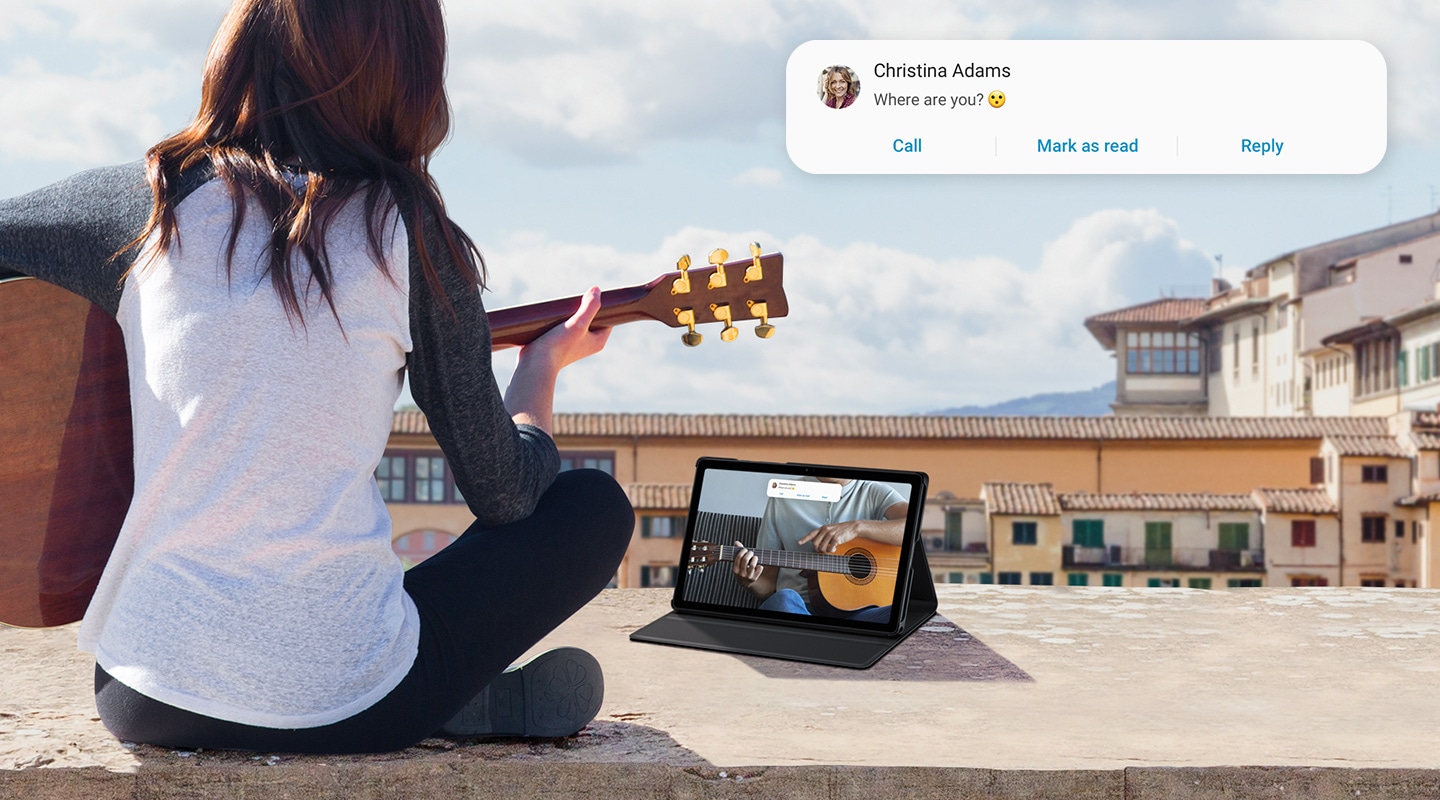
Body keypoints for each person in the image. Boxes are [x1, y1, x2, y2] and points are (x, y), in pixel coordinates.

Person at [0, 0, 633, 753]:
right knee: (591, 506)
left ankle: (437, 687)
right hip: (356, 706)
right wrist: (541, 373)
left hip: (147, 693)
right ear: (410, 73)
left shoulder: (147, 204)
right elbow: (506, 494)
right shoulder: (408, 230)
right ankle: (444, 689)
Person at [731, 478, 906, 623]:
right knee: (783, 600)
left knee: (905, 612)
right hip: (797, 612)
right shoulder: (783, 495)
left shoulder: (874, 492)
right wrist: (751, 582)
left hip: (863, 615)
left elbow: (920, 527)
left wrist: (857, 527)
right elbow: (768, 585)